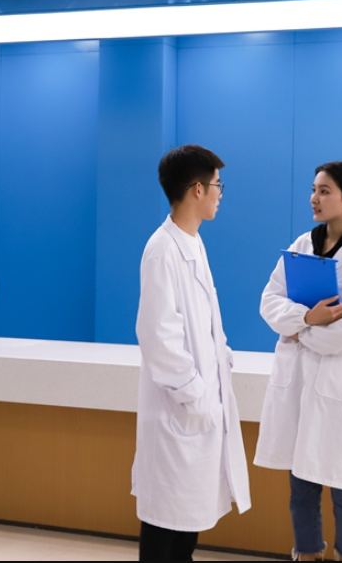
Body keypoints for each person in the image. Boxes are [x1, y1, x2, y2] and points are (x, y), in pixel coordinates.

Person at [254, 161, 342, 562]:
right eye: (313, 189)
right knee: (301, 486)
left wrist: (301, 331)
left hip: (339, 385)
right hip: (299, 382)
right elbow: (269, 302)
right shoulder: (300, 246)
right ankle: (307, 554)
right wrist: (309, 318)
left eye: (325, 191)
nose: (314, 198)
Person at [132, 144, 251, 562]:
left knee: (185, 532)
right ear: (197, 189)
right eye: (218, 185)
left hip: (196, 413)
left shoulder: (192, 242)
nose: (220, 194)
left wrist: (221, 359)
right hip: (178, 412)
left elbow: (203, 324)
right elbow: (158, 336)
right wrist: (196, 393)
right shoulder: (162, 250)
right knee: (164, 528)